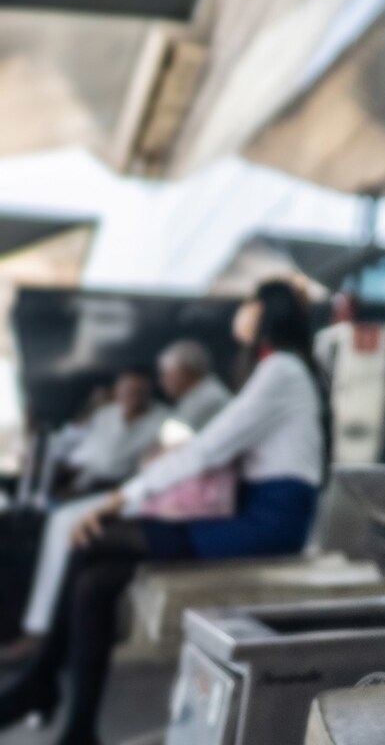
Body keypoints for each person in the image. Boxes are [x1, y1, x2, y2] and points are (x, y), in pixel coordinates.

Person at [0, 280, 330, 745]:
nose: (242, 310)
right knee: (96, 581)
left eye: (250, 302)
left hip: (266, 523)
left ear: (267, 312)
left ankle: (39, 682)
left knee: (94, 537)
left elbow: (207, 449)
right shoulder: (280, 370)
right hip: (255, 514)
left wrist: (119, 499)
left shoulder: (281, 371)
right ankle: (77, 727)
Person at [10, 341, 236, 650]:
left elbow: (170, 463)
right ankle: (47, 636)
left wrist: (124, 491)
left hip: (168, 502)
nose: (164, 382)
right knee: (79, 547)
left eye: (166, 375)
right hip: (143, 493)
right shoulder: (115, 415)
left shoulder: (194, 406)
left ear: (186, 371)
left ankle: (46, 636)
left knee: (79, 531)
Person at [51, 369, 165, 497]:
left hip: (126, 486)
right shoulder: (105, 414)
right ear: (117, 390)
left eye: (138, 391)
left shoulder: (163, 419)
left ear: (149, 392)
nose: (131, 395)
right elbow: (82, 445)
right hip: (85, 479)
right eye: (126, 389)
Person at [157, 338, 232, 436]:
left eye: (167, 375)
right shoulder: (197, 395)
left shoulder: (207, 397)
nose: (162, 382)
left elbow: (175, 438)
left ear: (186, 372)